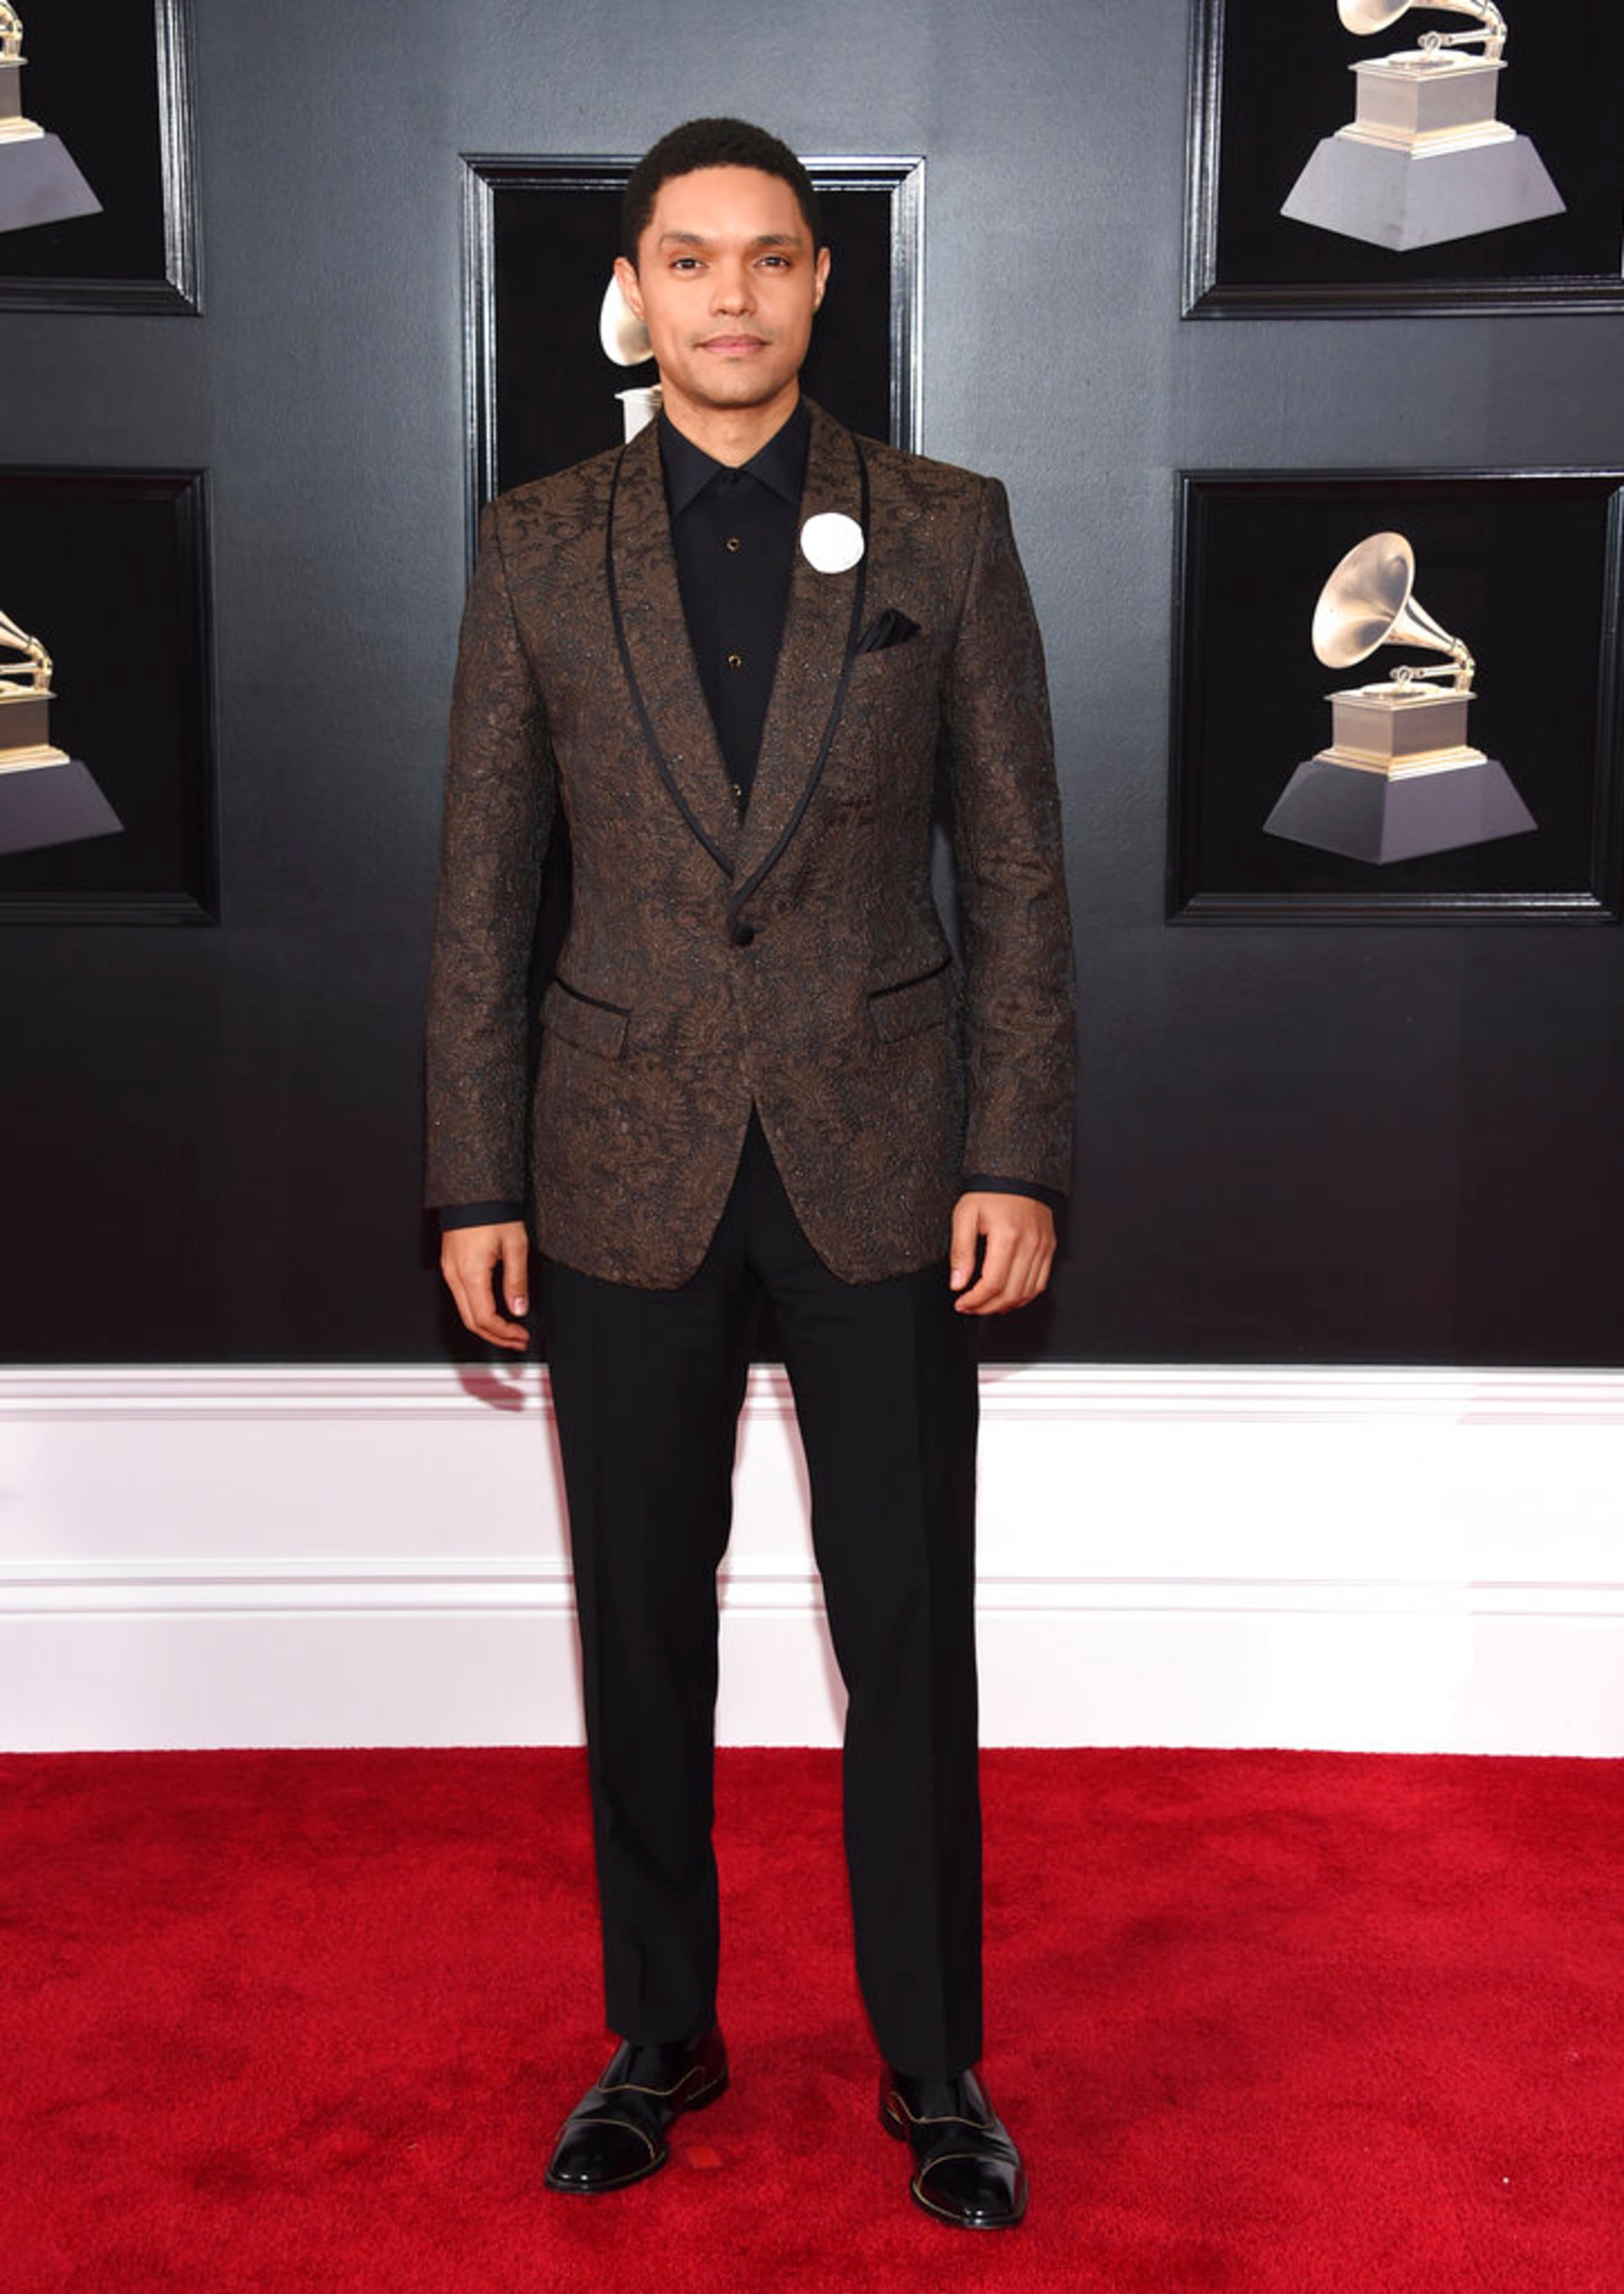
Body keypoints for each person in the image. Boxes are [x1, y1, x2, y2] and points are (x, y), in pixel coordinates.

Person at [425, 117, 1074, 2231]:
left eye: (769, 260)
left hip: (889, 1163)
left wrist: (1016, 1147)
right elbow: (479, 898)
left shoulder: (945, 532)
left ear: (821, 284)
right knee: (640, 1631)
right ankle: (661, 2034)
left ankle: (934, 2065)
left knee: (908, 1630)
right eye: (688, 261)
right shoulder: (537, 546)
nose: (730, 297)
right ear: (637, 285)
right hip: (613, 1166)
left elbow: (1021, 877)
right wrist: (471, 1181)